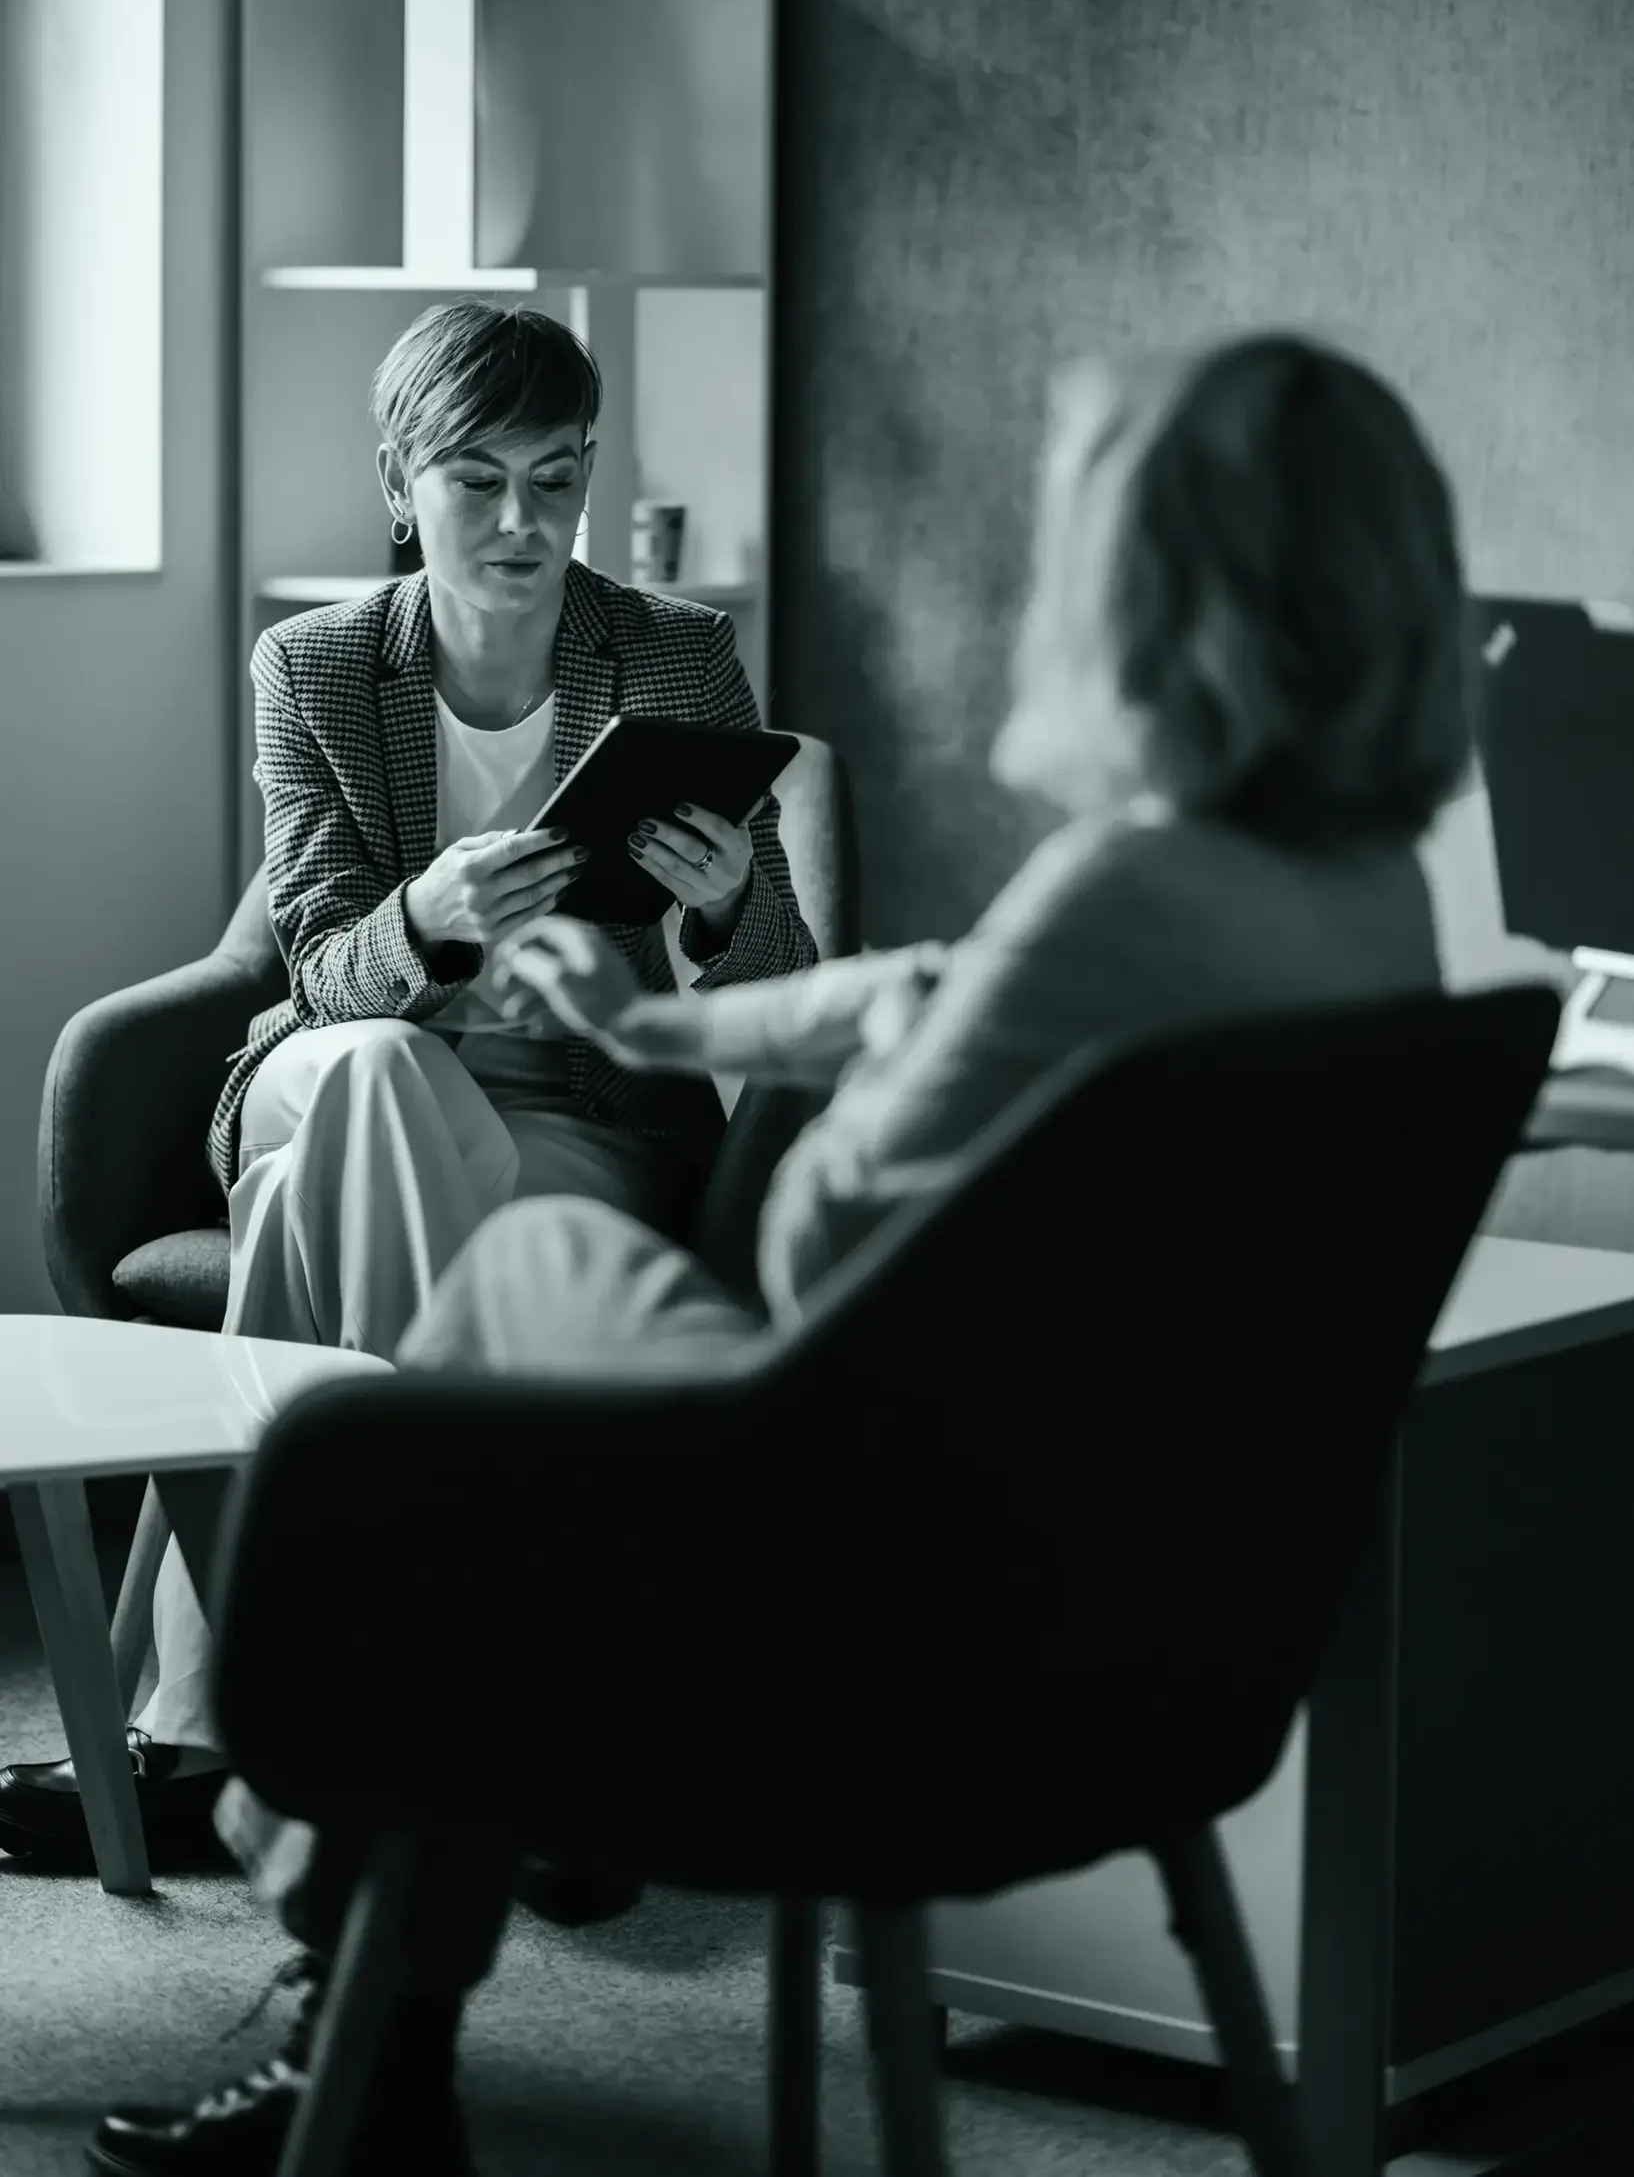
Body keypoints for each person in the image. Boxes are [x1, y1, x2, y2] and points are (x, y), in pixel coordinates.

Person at [80, 327, 1472, 2176]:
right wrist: (671, 1030)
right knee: (473, 1357)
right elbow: (928, 1000)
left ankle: (341, 1912)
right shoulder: (1378, 919)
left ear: (1152, 599)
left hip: (848, 1583)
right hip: (1146, 1630)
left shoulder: (1118, 894)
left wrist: (729, 970)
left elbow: (846, 1233)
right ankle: (368, 1900)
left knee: (412, 1433)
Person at [0, 299, 816, 1876]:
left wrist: (717, 904)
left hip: (576, 1114)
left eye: (559, 479)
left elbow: (774, 973)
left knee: (349, 1171)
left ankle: (232, 1729)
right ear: (400, 480)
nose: (526, 522)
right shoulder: (313, 665)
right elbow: (308, 966)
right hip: (330, 1065)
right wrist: (429, 920)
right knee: (370, 1071)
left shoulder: (675, 653)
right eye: (480, 478)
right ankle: (502, 1727)